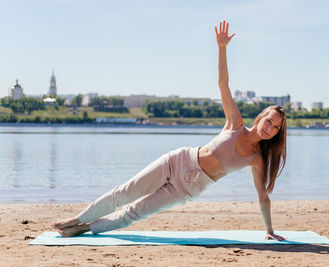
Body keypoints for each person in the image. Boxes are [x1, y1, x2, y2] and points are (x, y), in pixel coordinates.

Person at [51, 21, 287, 241]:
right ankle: (76, 219)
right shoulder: (235, 123)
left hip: (188, 187)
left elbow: (262, 197)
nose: (271, 128)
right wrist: (222, 48)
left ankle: (84, 228)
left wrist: (269, 231)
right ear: (260, 118)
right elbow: (223, 83)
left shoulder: (256, 159)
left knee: (134, 213)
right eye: (269, 121)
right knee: (124, 193)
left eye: (276, 127)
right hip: (178, 160)